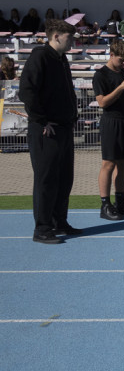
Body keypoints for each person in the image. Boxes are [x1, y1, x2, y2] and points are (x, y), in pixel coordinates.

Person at [19, 19, 80, 244]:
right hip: (47, 129)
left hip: (63, 128)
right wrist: (41, 120)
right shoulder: (40, 56)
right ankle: (42, 228)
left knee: (64, 178)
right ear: (56, 36)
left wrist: (72, 116)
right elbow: (26, 91)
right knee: (46, 179)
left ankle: (59, 221)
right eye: (69, 37)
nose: (72, 41)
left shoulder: (62, 59)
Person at [93, 39, 124, 221]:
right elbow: (102, 102)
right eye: (121, 60)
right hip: (111, 121)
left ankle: (120, 201)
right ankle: (105, 204)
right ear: (111, 55)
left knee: (123, 163)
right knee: (108, 163)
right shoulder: (101, 75)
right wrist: (120, 88)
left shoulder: (122, 72)